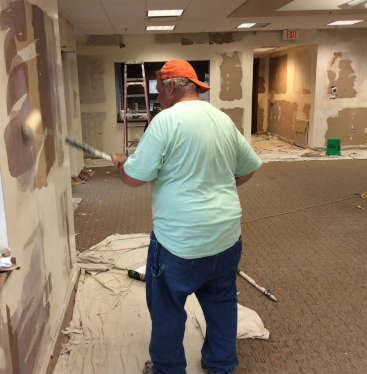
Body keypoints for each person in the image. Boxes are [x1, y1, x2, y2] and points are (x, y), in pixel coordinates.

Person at [111, 59, 262, 374]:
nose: (157, 95)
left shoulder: (165, 122)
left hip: (179, 243)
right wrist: (217, 186)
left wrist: (121, 166)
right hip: (226, 236)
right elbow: (248, 168)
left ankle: (168, 369)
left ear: (170, 86)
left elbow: (134, 178)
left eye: (158, 88)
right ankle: (221, 364)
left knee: (167, 310)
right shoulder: (221, 119)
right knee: (221, 302)